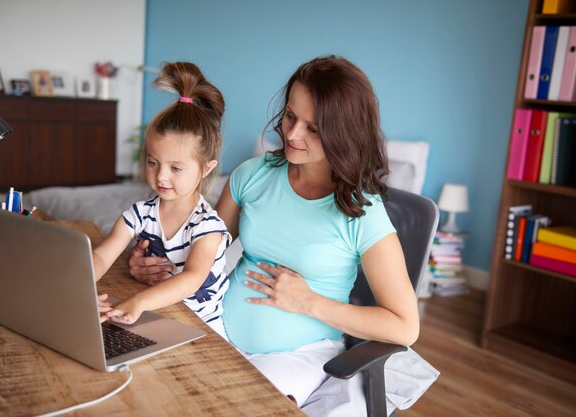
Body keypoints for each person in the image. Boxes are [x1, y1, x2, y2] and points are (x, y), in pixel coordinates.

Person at [128, 56, 428, 410]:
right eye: (289, 116)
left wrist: (308, 301)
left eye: (312, 128)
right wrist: (150, 264)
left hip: (299, 355)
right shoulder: (253, 175)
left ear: (343, 133)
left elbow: (404, 327)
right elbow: (200, 250)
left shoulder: (363, 213)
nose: (291, 133)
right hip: (219, 332)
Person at [94, 61, 230, 336]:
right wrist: (79, 287)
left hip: (203, 332)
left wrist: (138, 302)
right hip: (157, 318)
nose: (161, 177)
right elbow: (101, 255)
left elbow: (191, 279)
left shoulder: (208, 227)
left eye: (176, 168)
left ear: (206, 168)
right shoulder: (140, 213)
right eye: (153, 162)